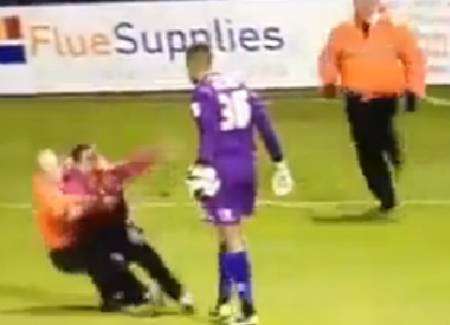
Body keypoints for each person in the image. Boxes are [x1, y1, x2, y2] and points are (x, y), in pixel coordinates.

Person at [185, 43, 294, 325]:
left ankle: (248, 310)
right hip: (247, 167)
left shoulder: (203, 93)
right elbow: (264, 122)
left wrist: (204, 165)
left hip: (223, 170)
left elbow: (208, 132)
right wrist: (279, 160)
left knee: (233, 239)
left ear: (193, 66)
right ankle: (224, 303)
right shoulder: (240, 85)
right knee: (225, 233)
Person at [318, 0, 426, 214]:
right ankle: (384, 194)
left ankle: (390, 148)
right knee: (365, 146)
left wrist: (414, 90)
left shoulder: (395, 30)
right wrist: (329, 82)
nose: (364, 5)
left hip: (386, 97)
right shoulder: (343, 32)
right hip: (356, 98)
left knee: (377, 135)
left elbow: (414, 60)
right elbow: (329, 58)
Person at [63, 144, 195, 313]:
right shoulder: (73, 183)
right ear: (77, 164)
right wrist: (98, 201)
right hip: (91, 237)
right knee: (109, 264)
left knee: (149, 257)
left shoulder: (110, 175)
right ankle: (121, 297)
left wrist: (156, 155)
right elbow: (77, 206)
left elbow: (133, 166)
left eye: (95, 156)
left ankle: (178, 294)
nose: (94, 161)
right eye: (89, 158)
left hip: (118, 231)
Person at [32, 149, 144, 311]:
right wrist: (88, 202)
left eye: (58, 166)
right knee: (102, 258)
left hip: (80, 244)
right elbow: (64, 210)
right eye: (52, 168)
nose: (57, 171)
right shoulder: (50, 193)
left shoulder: (69, 182)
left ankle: (129, 294)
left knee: (106, 251)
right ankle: (124, 296)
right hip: (64, 252)